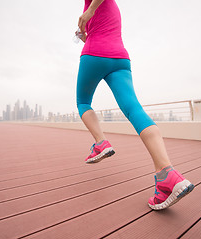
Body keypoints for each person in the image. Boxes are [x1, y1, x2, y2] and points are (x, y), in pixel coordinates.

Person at [76, 0, 194, 210]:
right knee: (134, 109)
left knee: (83, 102)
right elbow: (97, 30)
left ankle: (100, 143)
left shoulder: (92, 5)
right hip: (119, 57)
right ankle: (167, 175)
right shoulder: (110, 8)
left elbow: (94, 22)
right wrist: (84, 33)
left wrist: (88, 12)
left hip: (94, 54)